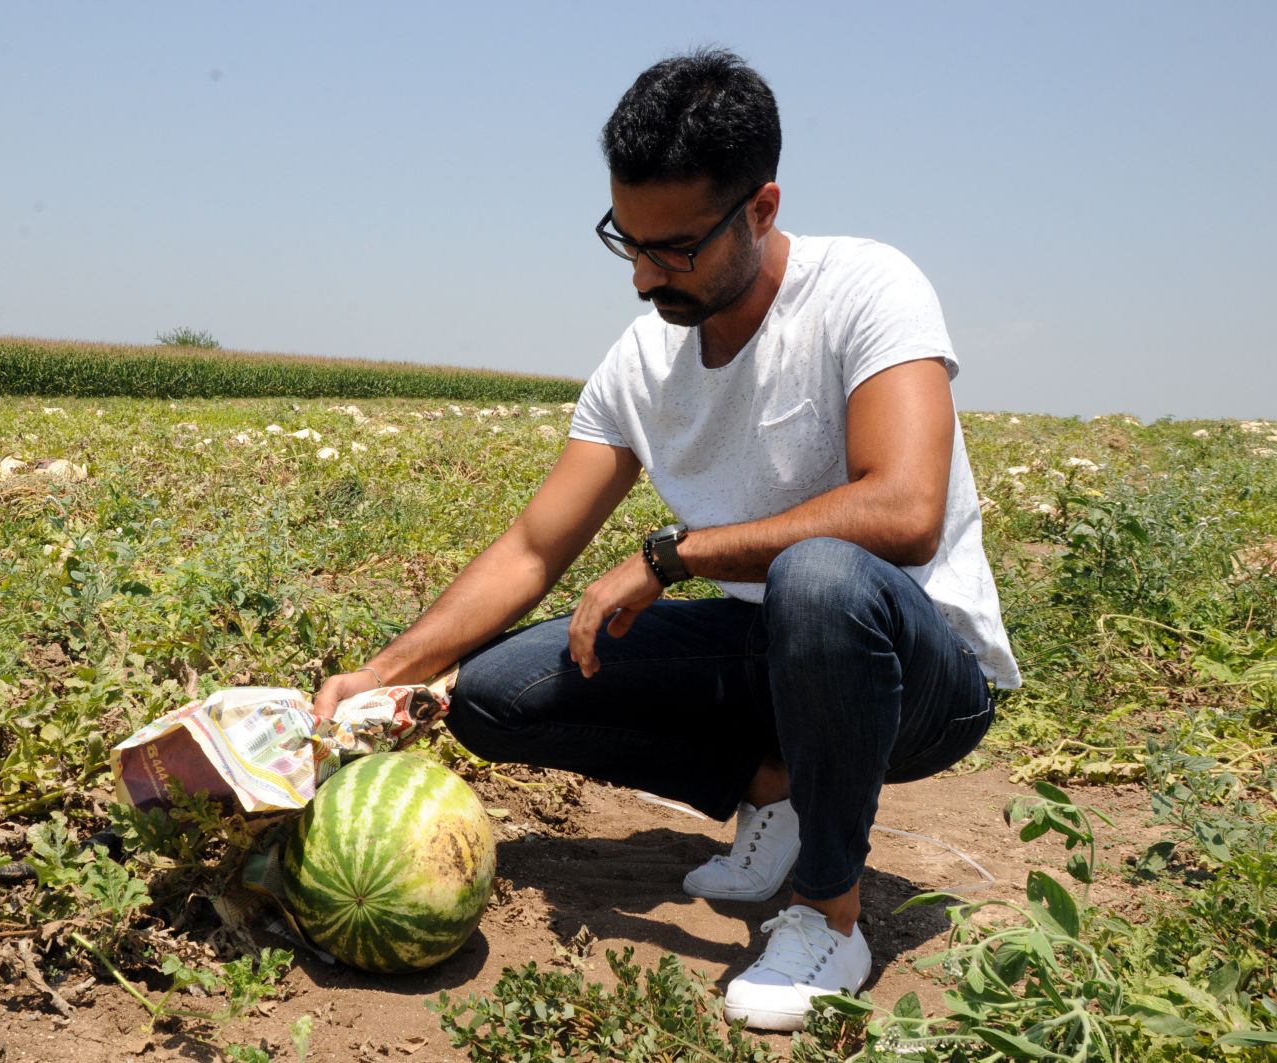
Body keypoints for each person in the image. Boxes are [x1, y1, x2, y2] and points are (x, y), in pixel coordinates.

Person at [314, 47, 1020, 1033]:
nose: (645, 275)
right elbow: (531, 546)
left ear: (761, 208)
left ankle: (830, 913)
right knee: (492, 694)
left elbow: (903, 511)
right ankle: (775, 786)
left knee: (819, 576)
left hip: (918, 678)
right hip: (775, 656)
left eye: (675, 248)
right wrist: (385, 670)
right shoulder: (642, 359)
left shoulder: (867, 289)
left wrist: (669, 556)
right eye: (626, 240)